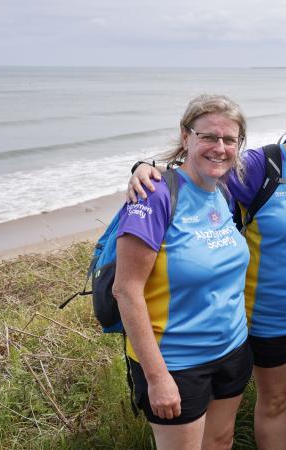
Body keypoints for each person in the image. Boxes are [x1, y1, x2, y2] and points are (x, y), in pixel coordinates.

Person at [129, 86, 286, 450]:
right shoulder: (261, 165)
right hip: (267, 318)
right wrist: (145, 169)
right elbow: (199, 173)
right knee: (274, 401)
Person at [113, 94, 252, 450]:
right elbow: (126, 291)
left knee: (221, 441)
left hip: (232, 349)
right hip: (176, 361)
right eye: (208, 136)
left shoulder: (223, 189)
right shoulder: (154, 195)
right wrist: (157, 377)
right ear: (186, 136)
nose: (219, 147)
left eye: (228, 140)